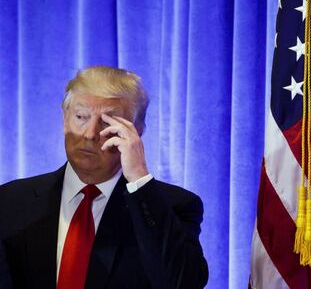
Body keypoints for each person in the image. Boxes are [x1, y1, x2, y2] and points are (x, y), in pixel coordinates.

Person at [0, 67, 208, 289]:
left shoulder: (173, 206)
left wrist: (138, 178)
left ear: (136, 131)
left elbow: (182, 283)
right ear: (64, 120)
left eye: (108, 122)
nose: (90, 134)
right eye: (81, 117)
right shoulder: (10, 201)